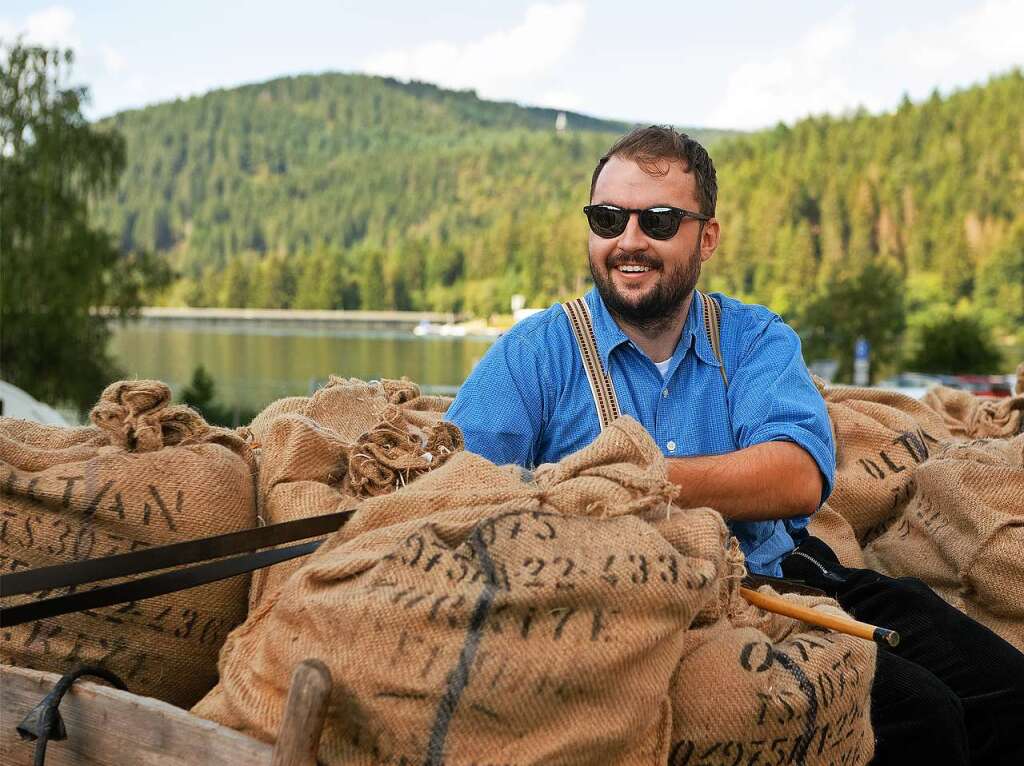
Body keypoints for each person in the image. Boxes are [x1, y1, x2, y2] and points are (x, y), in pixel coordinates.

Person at [446, 126, 1024, 764]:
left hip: (779, 574)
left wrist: (626, 480)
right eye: (607, 218)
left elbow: (797, 474)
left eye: (659, 221)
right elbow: (461, 486)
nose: (628, 241)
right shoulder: (532, 354)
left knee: (1005, 688)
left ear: (707, 237)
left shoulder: (753, 338)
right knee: (920, 717)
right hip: (643, 611)